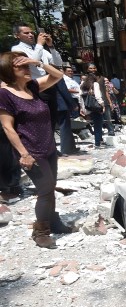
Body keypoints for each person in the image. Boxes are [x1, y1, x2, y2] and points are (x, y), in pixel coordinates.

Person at [0, 51, 71, 247]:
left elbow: (57, 76)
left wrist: (37, 62)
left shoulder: (32, 87)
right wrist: (24, 154)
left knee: (50, 187)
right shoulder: (5, 94)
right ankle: (40, 231)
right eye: (20, 66)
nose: (26, 69)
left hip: (48, 147)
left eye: (26, 65)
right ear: (8, 70)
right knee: (45, 189)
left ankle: (54, 221)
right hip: (30, 151)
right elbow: (7, 127)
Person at [53, 73, 79, 155]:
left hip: (50, 105)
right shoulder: (57, 76)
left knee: (53, 128)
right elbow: (64, 90)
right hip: (60, 105)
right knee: (65, 127)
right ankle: (66, 149)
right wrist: (72, 104)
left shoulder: (41, 76)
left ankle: (71, 147)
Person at [79, 73, 106, 148]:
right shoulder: (95, 84)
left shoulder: (82, 85)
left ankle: (100, 140)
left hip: (88, 107)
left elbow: (80, 98)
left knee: (95, 124)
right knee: (98, 125)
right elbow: (98, 96)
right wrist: (102, 105)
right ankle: (97, 142)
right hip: (96, 107)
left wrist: (82, 108)